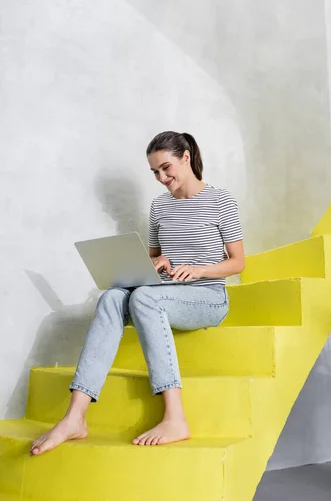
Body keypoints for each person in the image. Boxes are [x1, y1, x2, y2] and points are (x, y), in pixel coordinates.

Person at [30, 131, 245, 455]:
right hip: (165, 293)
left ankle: (175, 417)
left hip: (208, 296)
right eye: (155, 172)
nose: (162, 178)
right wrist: (157, 261)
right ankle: (75, 416)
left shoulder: (221, 200)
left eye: (166, 168)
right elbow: (153, 258)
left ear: (186, 158)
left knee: (144, 297)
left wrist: (199, 270)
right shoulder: (159, 207)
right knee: (112, 297)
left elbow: (238, 262)